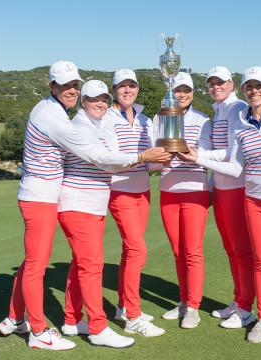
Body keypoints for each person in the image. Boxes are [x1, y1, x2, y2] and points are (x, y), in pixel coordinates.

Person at [0, 62, 169, 351]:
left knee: (63, 263)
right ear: (53, 87)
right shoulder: (67, 123)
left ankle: (42, 319)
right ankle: (92, 328)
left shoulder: (71, 117)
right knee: (83, 265)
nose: (96, 103)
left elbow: (107, 158)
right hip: (61, 199)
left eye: (102, 99)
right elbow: (98, 157)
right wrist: (142, 157)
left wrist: (150, 161)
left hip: (72, 199)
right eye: (91, 98)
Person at [178, 66, 261, 345]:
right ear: (244, 89)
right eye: (250, 86)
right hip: (252, 199)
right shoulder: (240, 121)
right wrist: (198, 160)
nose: (255, 91)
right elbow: (235, 164)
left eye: (259, 86)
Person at [151, 72, 212, 329]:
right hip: (168, 189)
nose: (182, 94)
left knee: (193, 251)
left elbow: (207, 154)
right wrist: (159, 159)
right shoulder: (160, 116)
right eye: (178, 90)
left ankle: (194, 307)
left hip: (195, 189)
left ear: (193, 92)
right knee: (178, 252)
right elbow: (154, 150)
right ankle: (184, 301)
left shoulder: (203, 120)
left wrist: (191, 154)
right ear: (171, 92)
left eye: (187, 90)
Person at [102, 69, 157, 326]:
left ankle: (123, 306)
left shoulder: (146, 120)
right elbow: (112, 160)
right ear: (114, 90)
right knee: (137, 250)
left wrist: (166, 158)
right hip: (119, 190)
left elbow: (151, 164)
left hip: (142, 190)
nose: (127, 91)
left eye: (131, 86)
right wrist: (145, 158)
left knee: (129, 251)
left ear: (137, 89)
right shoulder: (107, 119)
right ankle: (134, 316)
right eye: (122, 86)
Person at [205, 66, 256, 329]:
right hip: (222, 189)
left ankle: (246, 308)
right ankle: (238, 301)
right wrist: (212, 186)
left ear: (231, 83)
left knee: (242, 251)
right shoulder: (220, 110)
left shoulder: (237, 108)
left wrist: (197, 156)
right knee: (231, 250)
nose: (215, 87)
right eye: (211, 84)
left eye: (220, 82)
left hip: (237, 188)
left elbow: (230, 155)